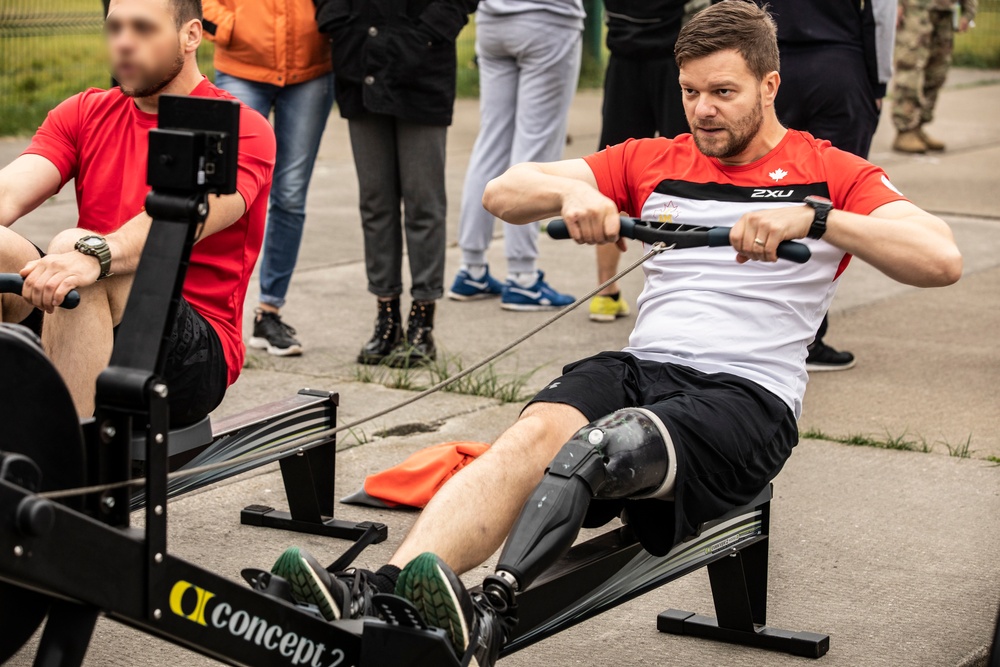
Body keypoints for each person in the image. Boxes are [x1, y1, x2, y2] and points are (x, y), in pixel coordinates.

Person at [265, 3, 961, 665]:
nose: (703, 110)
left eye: (723, 92)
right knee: (533, 437)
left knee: (604, 443)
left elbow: (941, 258)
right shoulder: (656, 158)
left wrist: (817, 220)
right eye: (690, 92)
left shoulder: (829, 172)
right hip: (644, 368)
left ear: (770, 84)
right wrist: (574, 193)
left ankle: (489, 614)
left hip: (746, 401)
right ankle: (387, 589)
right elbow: (503, 191)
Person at [0, 0, 275, 427]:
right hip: (82, 307)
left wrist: (92, 255)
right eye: (115, 29)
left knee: (75, 249)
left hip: (190, 350)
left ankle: (64, 477)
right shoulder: (84, 112)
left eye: (143, 29)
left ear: (191, 35)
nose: (124, 43)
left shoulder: (238, 128)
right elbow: (9, 191)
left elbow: (177, 225)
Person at [313, 0, 478, 367]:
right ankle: (386, 314)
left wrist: (429, 33)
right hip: (360, 63)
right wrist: (337, 21)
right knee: (376, 202)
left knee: (423, 201)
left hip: (423, 70)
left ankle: (423, 319)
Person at [765, 0, 897, 371]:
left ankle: (758, 325)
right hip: (841, 61)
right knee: (829, 207)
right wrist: (878, 79)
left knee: (761, 190)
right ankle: (808, 336)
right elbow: (882, 13)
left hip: (771, 61)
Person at [203, 0, 334, 356]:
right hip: (241, 66)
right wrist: (229, 26)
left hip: (311, 69)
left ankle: (269, 313)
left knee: (290, 195)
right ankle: (211, 314)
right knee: (224, 189)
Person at [447, 0, 584, 312]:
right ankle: (522, 277)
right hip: (549, 19)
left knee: (490, 142)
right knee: (535, 151)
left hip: (493, 20)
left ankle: (472, 268)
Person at [589, 0, 690, 323]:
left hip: (625, 52)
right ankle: (686, 292)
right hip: (676, 54)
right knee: (690, 172)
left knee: (612, 174)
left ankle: (605, 292)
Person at [892, 0, 977, 153]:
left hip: (945, 10)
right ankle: (905, 129)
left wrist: (968, 11)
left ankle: (918, 126)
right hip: (915, 9)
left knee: (937, 72)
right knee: (911, 68)